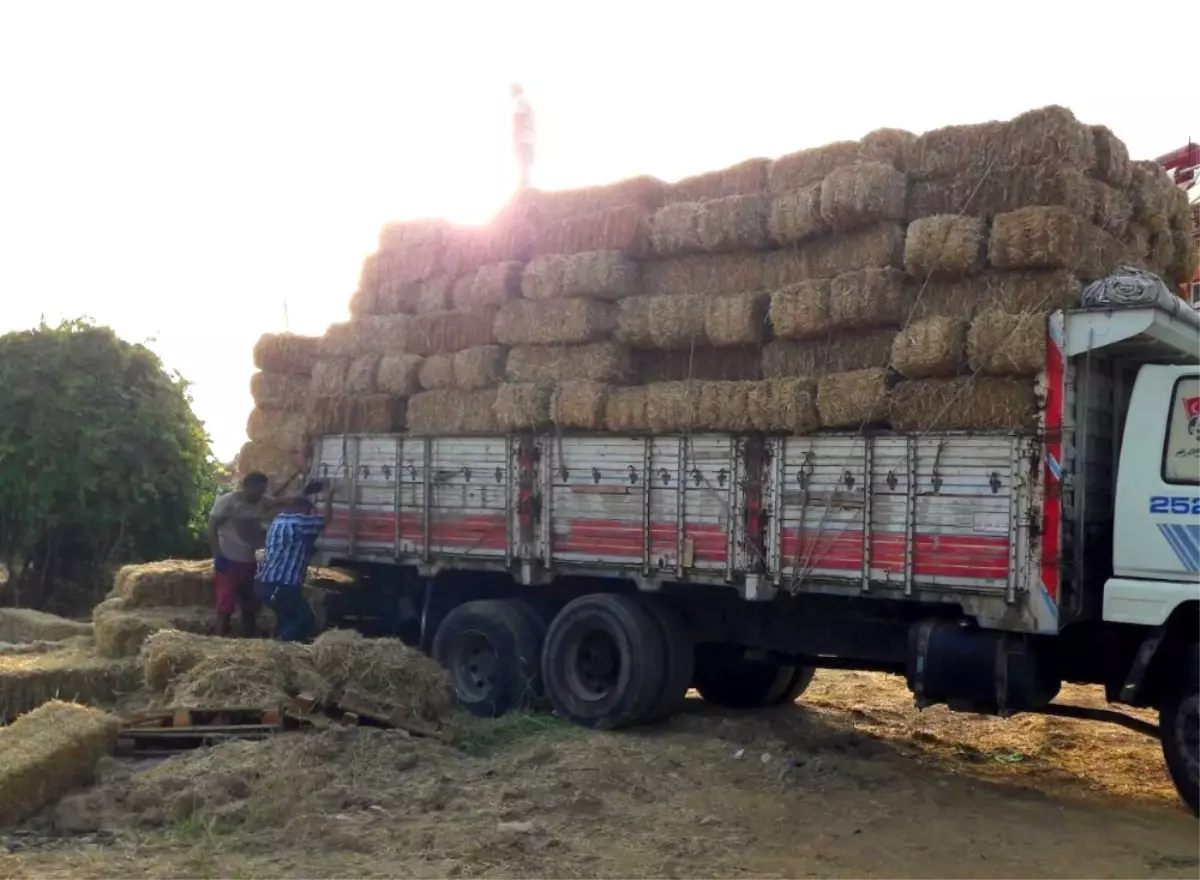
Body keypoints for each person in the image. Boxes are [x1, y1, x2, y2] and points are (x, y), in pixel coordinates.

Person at [255, 484, 336, 643]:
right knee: (305, 618)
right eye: (308, 512)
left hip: (267, 583)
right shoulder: (297, 521)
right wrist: (329, 497)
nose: (308, 515)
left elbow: (297, 543)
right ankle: (279, 646)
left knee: (286, 619)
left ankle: (280, 649)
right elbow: (326, 520)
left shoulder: (278, 521)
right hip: (282, 585)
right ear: (300, 509)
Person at [208, 472, 274, 637]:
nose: (261, 494)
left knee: (250, 605)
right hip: (229, 560)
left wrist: (305, 494)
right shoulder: (228, 502)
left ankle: (249, 641)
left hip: (249, 562)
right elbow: (211, 529)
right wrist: (218, 555)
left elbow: (283, 501)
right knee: (226, 606)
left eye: (263, 491)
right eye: (259, 490)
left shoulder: (261, 501)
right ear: (247, 486)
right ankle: (218, 640)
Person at [510, 83, 535, 189]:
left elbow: (519, 119)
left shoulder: (519, 101)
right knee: (526, 169)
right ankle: (526, 185)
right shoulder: (527, 101)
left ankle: (523, 188)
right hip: (529, 137)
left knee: (522, 169)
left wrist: (516, 139)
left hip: (523, 137)